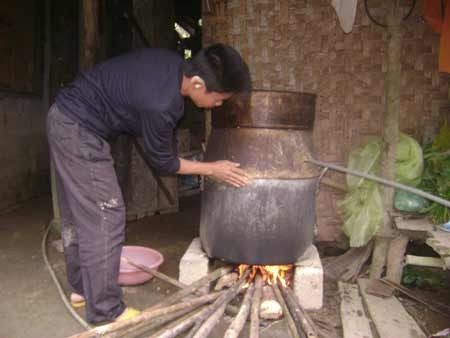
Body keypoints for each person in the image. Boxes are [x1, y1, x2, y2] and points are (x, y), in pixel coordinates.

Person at [46, 43, 251, 324]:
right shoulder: (162, 103)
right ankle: (107, 312)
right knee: (107, 214)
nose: (218, 105)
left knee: (80, 212)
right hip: (78, 129)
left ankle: (82, 288)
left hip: (65, 117)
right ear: (198, 83)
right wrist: (211, 169)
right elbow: (164, 162)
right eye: (219, 99)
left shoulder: (170, 64)